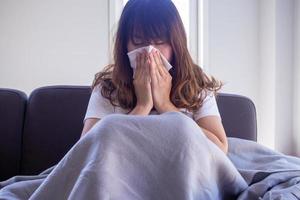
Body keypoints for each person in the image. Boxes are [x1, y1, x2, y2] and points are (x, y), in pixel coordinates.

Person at [81, 0, 228, 154]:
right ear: (125, 44)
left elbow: (220, 149)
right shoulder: (107, 88)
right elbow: (85, 152)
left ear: (175, 44)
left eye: (160, 41)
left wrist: (166, 106)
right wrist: (142, 107)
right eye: (138, 41)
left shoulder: (197, 85)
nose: (150, 51)